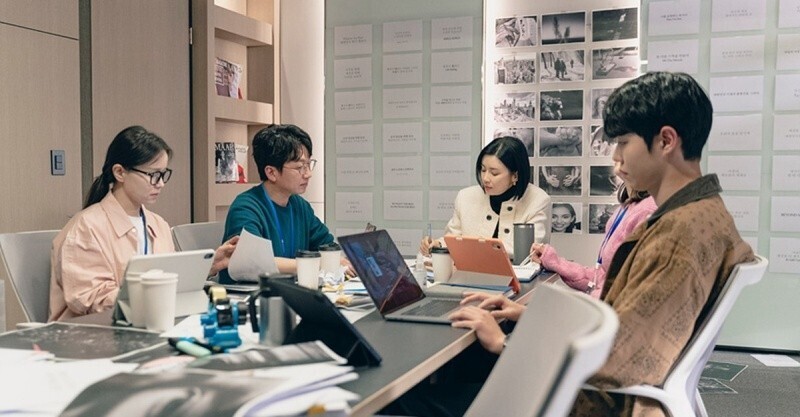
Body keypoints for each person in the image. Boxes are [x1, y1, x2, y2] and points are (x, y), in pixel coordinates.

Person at [449, 72, 754, 417]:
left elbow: (621, 359)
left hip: (584, 400)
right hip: (594, 389)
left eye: (623, 142)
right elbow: (622, 321)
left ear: (666, 141)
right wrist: (532, 317)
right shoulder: (703, 213)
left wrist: (505, 343)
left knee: (424, 391)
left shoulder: (677, 236)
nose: (616, 156)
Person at [49, 126, 238, 321]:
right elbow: (89, 299)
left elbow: (169, 277)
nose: (160, 183)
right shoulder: (87, 227)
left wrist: (209, 266)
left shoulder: (158, 224)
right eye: (153, 175)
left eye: (163, 174)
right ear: (120, 172)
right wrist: (156, 292)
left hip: (149, 324)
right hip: (95, 331)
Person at [220, 124, 347, 284]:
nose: (308, 174)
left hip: (290, 291)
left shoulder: (299, 205)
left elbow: (327, 246)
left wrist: (341, 261)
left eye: (308, 165)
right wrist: (315, 264)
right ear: (271, 172)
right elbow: (252, 262)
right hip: (250, 295)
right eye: (300, 167)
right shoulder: (246, 207)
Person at [419, 136, 551, 256]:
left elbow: (531, 250)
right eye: (483, 170)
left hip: (517, 273)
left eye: (494, 173)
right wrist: (438, 245)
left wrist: (473, 248)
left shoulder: (538, 200)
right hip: (470, 272)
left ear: (515, 176)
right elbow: (453, 239)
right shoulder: (465, 197)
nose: (485, 178)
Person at [532, 184, 656, 297]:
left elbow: (628, 291)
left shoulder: (647, 211)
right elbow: (602, 276)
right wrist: (554, 261)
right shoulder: (628, 207)